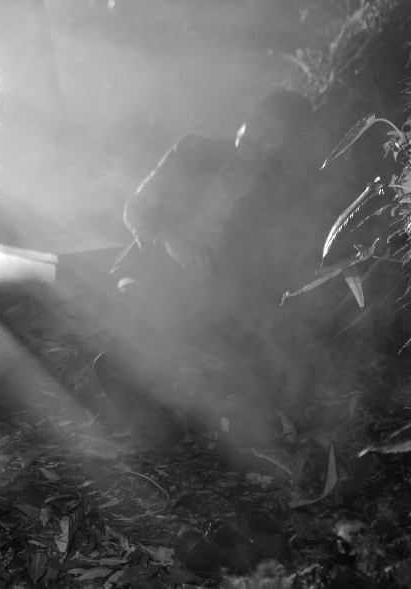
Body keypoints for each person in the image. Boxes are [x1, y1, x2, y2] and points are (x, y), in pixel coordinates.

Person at [97, 90, 324, 444]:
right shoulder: (193, 150)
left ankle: (163, 409)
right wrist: (167, 238)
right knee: (148, 310)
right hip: (153, 263)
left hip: (212, 287)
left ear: (286, 146)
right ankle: (145, 401)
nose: (258, 138)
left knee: (257, 354)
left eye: (273, 135)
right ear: (247, 118)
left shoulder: (278, 195)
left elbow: (264, 266)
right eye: (258, 123)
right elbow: (136, 207)